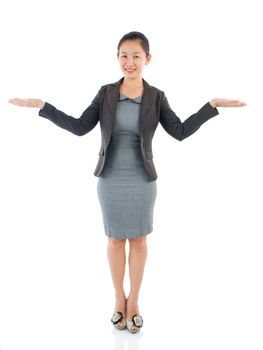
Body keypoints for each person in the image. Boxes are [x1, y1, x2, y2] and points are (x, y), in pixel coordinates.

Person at [8, 31, 246, 333]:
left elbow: (180, 131)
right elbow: (81, 127)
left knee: (139, 240)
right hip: (110, 178)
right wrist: (43, 106)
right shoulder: (106, 92)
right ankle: (118, 299)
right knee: (114, 239)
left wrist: (211, 106)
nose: (129, 61)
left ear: (148, 59)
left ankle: (134, 301)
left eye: (136, 55)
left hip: (142, 179)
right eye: (123, 55)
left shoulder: (156, 96)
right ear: (117, 57)